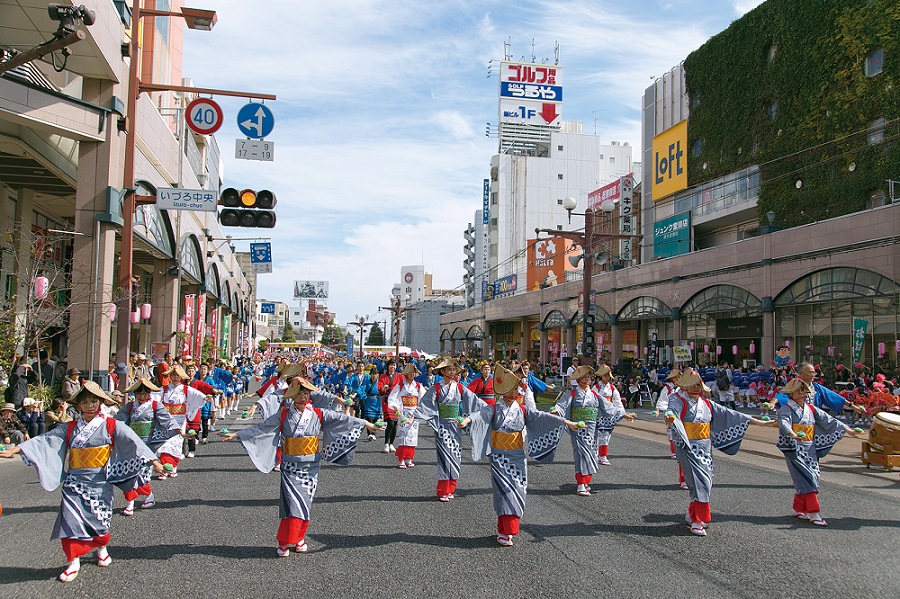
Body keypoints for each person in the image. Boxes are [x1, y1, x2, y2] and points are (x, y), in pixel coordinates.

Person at [0, 381, 162, 582]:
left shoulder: (111, 425)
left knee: (100, 522)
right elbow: (45, 440)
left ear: (101, 402)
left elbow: (133, 441)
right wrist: (17, 450)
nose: (90, 405)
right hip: (74, 483)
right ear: (78, 406)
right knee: (69, 522)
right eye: (85, 402)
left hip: (100, 482)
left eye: (94, 401)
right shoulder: (69, 428)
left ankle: (101, 548)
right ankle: (73, 561)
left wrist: (154, 461)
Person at [219, 377, 382, 556]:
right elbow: (262, 428)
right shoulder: (283, 415)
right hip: (290, 466)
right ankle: (284, 541)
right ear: (292, 396)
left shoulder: (319, 414)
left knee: (305, 503)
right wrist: (237, 434)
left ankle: (299, 538)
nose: (303, 397)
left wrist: (368, 424)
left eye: (306, 393)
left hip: (311, 466)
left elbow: (343, 419)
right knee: (291, 504)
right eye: (299, 393)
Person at [461, 364, 580, 546]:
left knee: (518, 490)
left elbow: (542, 417)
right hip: (499, 457)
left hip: (517, 455)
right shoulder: (494, 408)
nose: (517, 391)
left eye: (518, 388)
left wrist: (565, 421)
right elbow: (480, 414)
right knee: (504, 492)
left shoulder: (522, 410)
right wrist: (467, 419)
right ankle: (504, 531)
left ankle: (509, 529)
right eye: (514, 388)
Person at [664, 368, 775, 536]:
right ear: (685, 387)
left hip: (705, 448)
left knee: (705, 482)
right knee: (698, 482)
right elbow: (672, 410)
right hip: (688, 447)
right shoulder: (678, 399)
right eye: (691, 385)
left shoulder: (706, 403)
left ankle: (693, 513)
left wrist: (755, 421)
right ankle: (697, 520)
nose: (695, 388)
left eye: (697, 385)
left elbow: (729, 413)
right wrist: (671, 416)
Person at [775, 378, 859, 526]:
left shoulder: (811, 409)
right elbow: (783, 422)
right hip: (794, 447)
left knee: (811, 476)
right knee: (808, 478)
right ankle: (814, 513)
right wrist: (792, 434)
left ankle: (798, 508)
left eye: (804, 392)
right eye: (798, 392)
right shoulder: (786, 408)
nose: (802, 395)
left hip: (810, 447)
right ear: (791, 394)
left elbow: (830, 420)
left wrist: (848, 430)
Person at [413, 357, 487, 501]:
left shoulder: (459, 387)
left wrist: (491, 408)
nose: (452, 372)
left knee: (455, 456)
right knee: (444, 458)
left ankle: (451, 488)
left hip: (455, 425)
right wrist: (413, 417)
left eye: (454, 369)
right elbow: (425, 404)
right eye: (449, 369)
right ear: (443, 371)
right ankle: (443, 490)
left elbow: (474, 400)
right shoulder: (437, 387)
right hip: (442, 426)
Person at [115, 378, 182, 515]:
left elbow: (167, 419)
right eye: (139, 394)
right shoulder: (129, 407)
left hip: (148, 444)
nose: (142, 396)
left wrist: (178, 430)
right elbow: (118, 420)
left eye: (145, 394)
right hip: (132, 443)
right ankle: (130, 503)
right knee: (129, 472)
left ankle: (148, 495)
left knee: (143, 474)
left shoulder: (155, 405)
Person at [551, 365, 601, 496]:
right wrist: (558, 410)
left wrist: (623, 414)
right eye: (583, 377)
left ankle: (585, 482)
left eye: (589, 378)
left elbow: (608, 407)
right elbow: (562, 404)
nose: (586, 380)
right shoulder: (572, 393)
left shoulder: (594, 394)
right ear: (578, 379)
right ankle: (580, 484)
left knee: (591, 453)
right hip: (577, 428)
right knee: (580, 454)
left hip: (591, 429)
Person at [150, 365, 208, 477]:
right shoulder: (165, 389)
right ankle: (164, 469)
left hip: (179, 419)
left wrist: (205, 398)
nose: (175, 378)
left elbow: (197, 395)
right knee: (164, 444)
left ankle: (173, 467)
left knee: (176, 444)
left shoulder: (186, 389)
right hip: (165, 420)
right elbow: (154, 396)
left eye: (177, 375)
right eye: (173, 375)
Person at [591, 365, 636, 466]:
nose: (607, 378)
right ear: (601, 376)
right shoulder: (596, 387)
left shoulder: (612, 388)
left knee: (606, 436)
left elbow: (617, 402)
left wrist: (623, 413)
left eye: (608, 376)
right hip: (599, 413)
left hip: (609, 413)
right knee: (599, 435)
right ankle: (598, 455)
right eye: (605, 375)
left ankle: (602, 456)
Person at [387, 363, 426, 468]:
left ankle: (409, 458)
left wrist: (419, 412)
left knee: (413, 437)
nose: (412, 374)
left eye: (414, 372)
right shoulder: (400, 385)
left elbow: (423, 400)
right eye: (410, 372)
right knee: (403, 436)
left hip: (414, 413)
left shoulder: (418, 386)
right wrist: (396, 409)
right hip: (403, 412)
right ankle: (401, 459)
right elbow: (392, 398)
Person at [653, 368, 685, 487]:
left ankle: (678, 450)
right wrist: (658, 409)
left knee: (680, 432)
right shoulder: (667, 389)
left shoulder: (681, 388)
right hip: (669, 412)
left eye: (679, 377)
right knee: (671, 432)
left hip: (680, 413)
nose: (678, 379)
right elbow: (662, 400)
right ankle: (674, 451)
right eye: (676, 377)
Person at [378, 361, 404, 453]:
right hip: (387, 401)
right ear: (388, 366)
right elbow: (380, 390)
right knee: (390, 423)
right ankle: (386, 443)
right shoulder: (383, 377)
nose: (393, 366)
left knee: (395, 424)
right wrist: (384, 389)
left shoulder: (400, 376)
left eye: (394, 365)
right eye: (391, 365)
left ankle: (392, 444)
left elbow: (404, 386)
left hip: (396, 402)